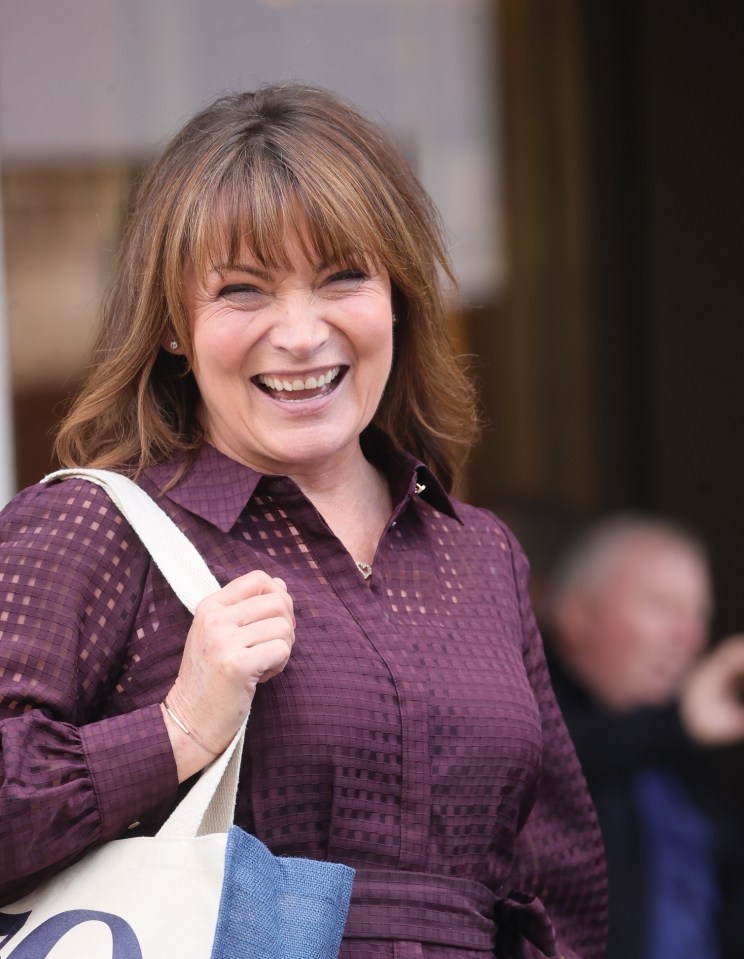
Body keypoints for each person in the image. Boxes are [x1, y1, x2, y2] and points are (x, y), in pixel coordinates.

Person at [0, 84, 607, 957]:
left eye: (342, 277)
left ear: (397, 292)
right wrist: (175, 732)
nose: (300, 332)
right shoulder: (97, 528)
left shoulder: (479, 555)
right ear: (174, 324)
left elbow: (557, 891)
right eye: (243, 291)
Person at [541, 513, 744, 959]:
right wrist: (680, 723)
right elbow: (553, 764)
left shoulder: (678, 752)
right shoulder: (522, 711)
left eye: (699, 614)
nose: (688, 637)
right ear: (579, 617)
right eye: (662, 606)